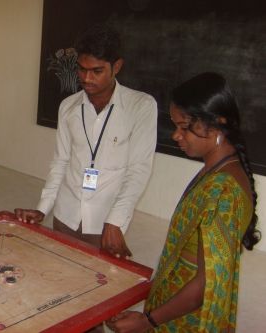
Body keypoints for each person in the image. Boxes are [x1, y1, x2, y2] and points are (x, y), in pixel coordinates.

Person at [106, 72, 261, 332]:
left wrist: (148, 321)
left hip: (188, 320)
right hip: (171, 308)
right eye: (176, 125)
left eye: (185, 127)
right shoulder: (214, 172)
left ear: (217, 124)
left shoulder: (224, 192)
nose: (176, 135)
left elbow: (206, 282)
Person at [15, 24, 157, 258]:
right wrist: (43, 208)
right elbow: (60, 162)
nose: (86, 78)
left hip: (105, 223)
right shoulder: (68, 106)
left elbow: (138, 171)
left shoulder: (140, 107)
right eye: (81, 69)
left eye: (97, 71)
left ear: (117, 67)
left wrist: (115, 221)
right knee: (60, 276)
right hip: (65, 215)